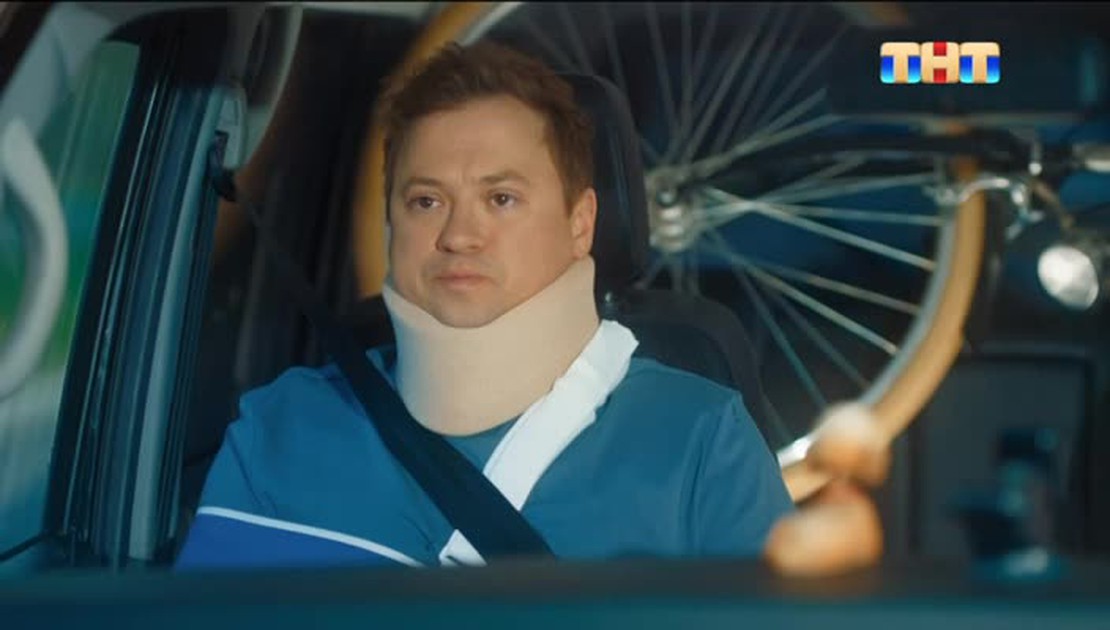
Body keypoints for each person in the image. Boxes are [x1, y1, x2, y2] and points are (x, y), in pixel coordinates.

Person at [175, 41, 888, 575]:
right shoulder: (282, 426)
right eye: (425, 201)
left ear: (582, 223)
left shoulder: (702, 440)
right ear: (390, 222)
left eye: (501, 198)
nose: (458, 234)